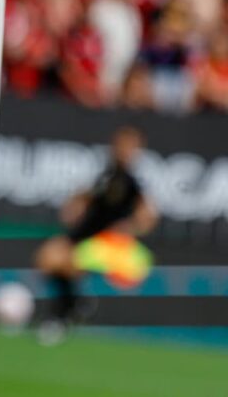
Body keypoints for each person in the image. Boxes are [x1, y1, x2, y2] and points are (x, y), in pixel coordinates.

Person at [34, 126, 158, 335]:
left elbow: (148, 216)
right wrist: (74, 204)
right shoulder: (107, 174)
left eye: (129, 146)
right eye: (121, 144)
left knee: (64, 262)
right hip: (84, 234)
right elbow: (88, 195)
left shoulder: (133, 182)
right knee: (46, 258)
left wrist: (129, 227)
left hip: (105, 241)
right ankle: (75, 304)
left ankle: (62, 314)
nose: (122, 150)